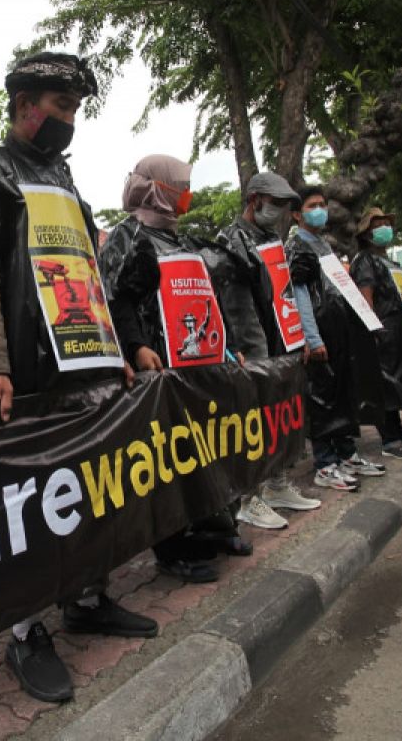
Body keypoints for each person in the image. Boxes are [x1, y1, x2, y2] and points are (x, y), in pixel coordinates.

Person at [0, 51, 154, 704]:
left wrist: (114, 349)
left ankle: (87, 599)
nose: (69, 121)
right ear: (24, 103)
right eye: (61, 108)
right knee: (31, 502)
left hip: (84, 365)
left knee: (90, 488)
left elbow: (85, 271)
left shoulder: (63, 179)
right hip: (28, 371)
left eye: (76, 110)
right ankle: (25, 630)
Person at [99, 154, 249, 586]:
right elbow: (116, 302)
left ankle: (215, 530)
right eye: (180, 186)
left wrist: (228, 346)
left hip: (200, 367)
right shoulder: (126, 238)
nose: (187, 195)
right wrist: (137, 347)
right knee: (169, 458)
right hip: (159, 370)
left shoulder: (181, 241)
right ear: (157, 189)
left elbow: (206, 301)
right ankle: (173, 549)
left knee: (208, 449)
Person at [205, 173, 321, 530]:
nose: (282, 211)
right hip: (253, 349)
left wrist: (296, 340)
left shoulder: (273, 240)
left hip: (281, 345)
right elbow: (236, 306)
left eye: (287, 206)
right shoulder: (232, 239)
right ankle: (249, 498)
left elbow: (283, 296)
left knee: (280, 418)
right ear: (255, 200)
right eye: (276, 203)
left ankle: (277, 485)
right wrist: (251, 355)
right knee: (252, 423)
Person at [285, 187, 385, 491]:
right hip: (320, 332)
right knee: (322, 399)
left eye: (323, 204)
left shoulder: (325, 247)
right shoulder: (297, 246)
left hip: (340, 331)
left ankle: (347, 454)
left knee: (343, 395)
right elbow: (299, 294)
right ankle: (325, 464)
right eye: (313, 205)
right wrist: (312, 338)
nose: (320, 210)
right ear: (297, 214)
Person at [350, 207, 402, 460]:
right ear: (366, 233)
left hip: (401, 331)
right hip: (382, 332)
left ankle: (399, 435)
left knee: (398, 384)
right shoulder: (364, 260)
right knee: (384, 386)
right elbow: (366, 298)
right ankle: (390, 440)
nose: (384, 228)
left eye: (386, 223)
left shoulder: (389, 261)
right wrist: (372, 329)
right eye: (377, 225)